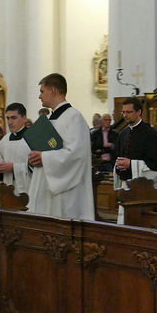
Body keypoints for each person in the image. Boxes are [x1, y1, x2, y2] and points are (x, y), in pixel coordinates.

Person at [26, 73, 95, 220]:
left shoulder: (74, 117)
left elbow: (76, 155)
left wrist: (43, 157)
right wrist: (34, 159)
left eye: (42, 91)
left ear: (53, 90)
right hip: (44, 187)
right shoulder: (49, 119)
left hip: (65, 194)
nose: (39, 96)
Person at [113, 96, 157, 195]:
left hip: (145, 189)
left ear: (139, 112)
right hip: (125, 186)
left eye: (129, 112)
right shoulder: (122, 134)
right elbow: (117, 157)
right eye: (123, 112)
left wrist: (131, 164)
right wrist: (119, 165)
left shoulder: (151, 134)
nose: (125, 115)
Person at [0, 102, 33, 197]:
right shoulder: (4, 140)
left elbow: (39, 167)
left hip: (28, 189)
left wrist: (14, 168)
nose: (9, 122)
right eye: (8, 118)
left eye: (14, 118)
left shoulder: (34, 138)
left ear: (24, 118)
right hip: (8, 189)